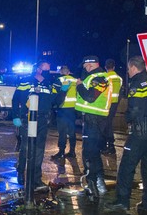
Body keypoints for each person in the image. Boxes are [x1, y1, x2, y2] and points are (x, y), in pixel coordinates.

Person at [109, 56, 147, 213]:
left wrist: (127, 119)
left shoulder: (136, 85)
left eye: (128, 68)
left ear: (133, 67)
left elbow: (134, 110)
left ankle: (122, 202)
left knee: (127, 167)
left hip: (140, 132)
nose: (128, 71)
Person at [12, 60, 64, 191]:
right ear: (39, 70)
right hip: (27, 118)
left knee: (39, 150)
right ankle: (21, 171)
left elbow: (56, 102)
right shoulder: (25, 82)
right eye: (46, 69)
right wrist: (15, 116)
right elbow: (15, 99)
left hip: (43, 120)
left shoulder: (49, 84)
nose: (48, 72)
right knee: (26, 147)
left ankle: (36, 179)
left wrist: (62, 91)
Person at [75, 55, 113, 198]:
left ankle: (92, 185)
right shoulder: (95, 77)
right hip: (94, 119)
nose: (84, 69)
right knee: (94, 152)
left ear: (91, 65)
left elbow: (90, 97)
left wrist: (79, 86)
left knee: (89, 153)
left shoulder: (99, 78)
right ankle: (98, 181)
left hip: (94, 120)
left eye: (85, 66)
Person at [51, 65, 77, 161]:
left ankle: (61, 152)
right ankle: (72, 152)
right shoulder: (75, 80)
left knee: (62, 132)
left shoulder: (59, 80)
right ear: (69, 71)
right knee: (72, 131)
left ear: (61, 72)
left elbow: (55, 94)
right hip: (73, 109)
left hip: (62, 108)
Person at [102, 59, 123, 155]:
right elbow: (120, 92)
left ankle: (110, 145)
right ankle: (108, 144)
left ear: (105, 67)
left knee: (106, 124)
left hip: (105, 104)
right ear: (114, 67)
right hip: (114, 103)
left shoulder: (104, 77)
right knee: (108, 123)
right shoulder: (119, 78)